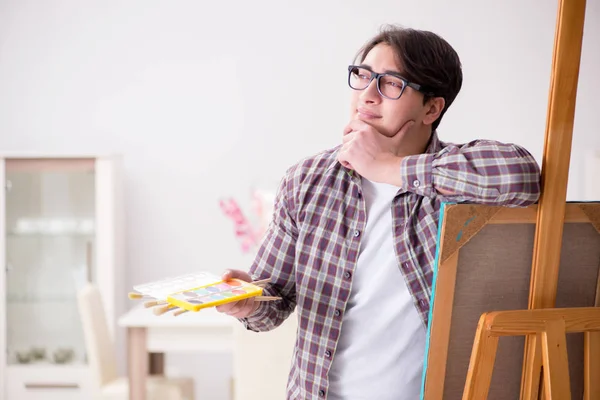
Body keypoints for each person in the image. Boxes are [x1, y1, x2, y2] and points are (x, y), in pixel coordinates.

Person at [216, 25, 541, 399]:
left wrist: (387, 167)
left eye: (391, 83)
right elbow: (274, 301)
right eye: (363, 76)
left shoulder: (457, 176)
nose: (367, 95)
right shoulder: (307, 180)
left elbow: (522, 175)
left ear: (432, 108)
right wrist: (246, 302)